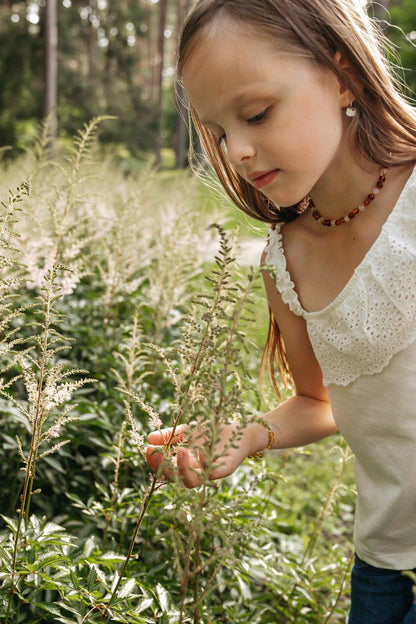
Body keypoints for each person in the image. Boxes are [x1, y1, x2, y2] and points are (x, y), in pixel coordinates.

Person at [146, 1, 416, 622]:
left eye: (258, 113)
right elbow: (321, 402)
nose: (238, 150)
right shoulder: (284, 261)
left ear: (342, 74)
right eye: (217, 132)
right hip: (381, 569)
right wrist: (248, 437)